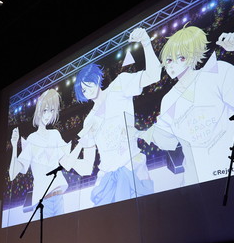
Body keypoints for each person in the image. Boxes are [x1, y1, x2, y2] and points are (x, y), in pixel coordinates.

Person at [138, 24, 234, 185]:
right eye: (168, 60)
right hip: (203, 182)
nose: (172, 64)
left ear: (192, 56)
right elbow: (165, 140)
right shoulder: (168, 99)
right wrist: (138, 133)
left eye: (180, 57)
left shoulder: (215, 73)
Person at [59, 27, 161, 205]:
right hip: (106, 180)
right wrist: (68, 161)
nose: (87, 90)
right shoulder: (89, 120)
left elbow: (153, 75)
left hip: (132, 167)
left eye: (89, 84)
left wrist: (146, 42)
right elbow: (86, 167)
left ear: (97, 79)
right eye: (83, 90)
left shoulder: (119, 86)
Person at [9, 89, 71, 217]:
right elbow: (13, 173)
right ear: (39, 111)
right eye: (45, 110)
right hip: (42, 201)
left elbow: (67, 161)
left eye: (52, 110)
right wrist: (14, 145)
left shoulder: (55, 135)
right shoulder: (32, 139)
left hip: (58, 197)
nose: (48, 115)